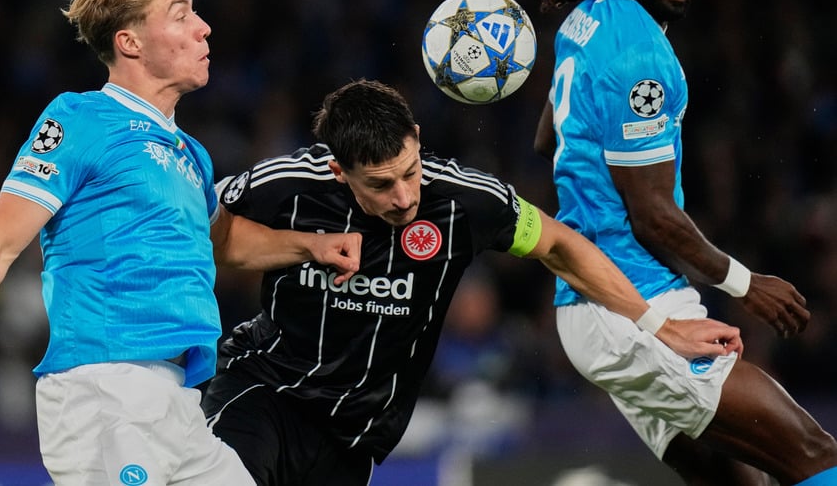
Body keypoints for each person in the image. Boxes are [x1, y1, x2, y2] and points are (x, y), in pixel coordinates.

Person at [0, 0, 362, 486]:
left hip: (180, 402)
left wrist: (312, 246)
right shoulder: (80, 118)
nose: (204, 28)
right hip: (105, 393)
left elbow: (221, 240)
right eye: (181, 15)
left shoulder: (191, 154)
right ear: (130, 42)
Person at [202, 78, 744, 486]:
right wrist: (302, 245)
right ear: (339, 171)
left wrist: (661, 326)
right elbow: (200, 226)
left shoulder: (466, 200)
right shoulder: (286, 185)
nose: (404, 197)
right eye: (381, 185)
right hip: (265, 389)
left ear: (417, 139)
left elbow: (561, 246)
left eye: (410, 171)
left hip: (356, 430)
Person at [530, 0, 837, 485]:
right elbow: (652, 216)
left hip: (599, 301)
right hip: (632, 306)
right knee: (814, 452)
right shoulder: (642, 55)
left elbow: (548, 140)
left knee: (737, 481)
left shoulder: (586, 16)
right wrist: (747, 285)